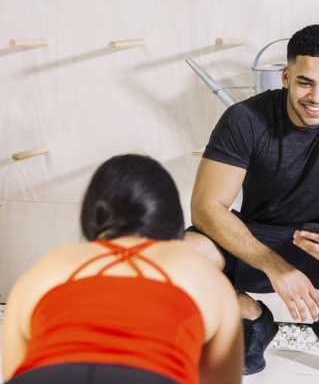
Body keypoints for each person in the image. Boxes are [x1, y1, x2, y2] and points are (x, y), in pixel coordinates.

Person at [185, 24, 319, 373]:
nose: (317, 97)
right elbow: (206, 208)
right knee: (179, 256)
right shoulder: (244, 119)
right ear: (285, 76)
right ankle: (251, 318)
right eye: (304, 82)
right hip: (257, 241)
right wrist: (274, 264)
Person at [2, 154, 242, 384]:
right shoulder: (201, 274)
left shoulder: (45, 270)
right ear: (172, 220)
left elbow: (14, 370)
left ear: (91, 214)